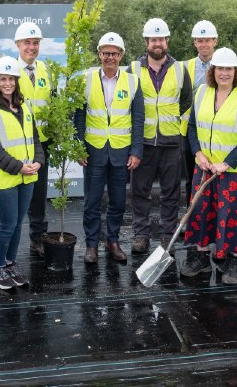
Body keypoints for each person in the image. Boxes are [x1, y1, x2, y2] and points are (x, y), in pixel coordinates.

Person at [180, 47, 237, 285]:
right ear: (213, 70)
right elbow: (192, 127)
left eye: (229, 69)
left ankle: (231, 261)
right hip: (204, 167)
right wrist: (198, 153)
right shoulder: (202, 92)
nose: (224, 73)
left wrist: (227, 163)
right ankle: (201, 258)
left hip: (233, 171)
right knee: (201, 211)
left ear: (236, 71)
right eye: (220, 68)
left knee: (230, 215)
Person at [75, 32, 144, 264]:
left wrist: (136, 151)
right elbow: (79, 117)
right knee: (92, 202)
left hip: (121, 152)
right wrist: (79, 148)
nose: (110, 57)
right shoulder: (85, 79)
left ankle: (112, 241)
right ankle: (92, 245)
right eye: (106, 53)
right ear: (99, 54)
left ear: (121, 55)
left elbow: (138, 119)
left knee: (117, 202)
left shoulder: (132, 81)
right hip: (93, 152)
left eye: (114, 53)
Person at [0, 56, 44, 290]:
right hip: (4, 177)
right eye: (3, 79)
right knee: (6, 225)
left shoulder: (25, 106)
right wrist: (19, 166)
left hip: (27, 175)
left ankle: (10, 264)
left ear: (16, 82)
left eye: (11, 79)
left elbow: (35, 138)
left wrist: (38, 160)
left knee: (17, 224)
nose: (8, 83)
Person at [129, 18, 192, 254]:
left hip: (171, 141)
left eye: (161, 39)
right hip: (143, 142)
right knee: (140, 192)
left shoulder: (179, 69)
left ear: (167, 41)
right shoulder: (134, 69)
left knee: (171, 192)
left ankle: (167, 235)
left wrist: (172, 119)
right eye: (153, 39)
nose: (158, 43)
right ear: (146, 41)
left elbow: (186, 99)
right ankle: (141, 234)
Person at [13, 22, 54, 258]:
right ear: (18, 44)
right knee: (14, 195)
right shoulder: (8, 69)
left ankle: (37, 238)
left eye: (35, 43)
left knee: (38, 195)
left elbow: (52, 103)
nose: (32, 47)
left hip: (41, 144)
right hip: (16, 145)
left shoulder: (46, 71)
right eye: (27, 43)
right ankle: (8, 242)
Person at [180, 20, 218, 208]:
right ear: (194, 43)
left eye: (207, 40)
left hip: (217, 131)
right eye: (199, 40)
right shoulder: (183, 67)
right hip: (191, 130)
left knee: (217, 176)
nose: (203, 44)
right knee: (192, 177)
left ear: (215, 41)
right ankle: (191, 218)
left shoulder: (225, 65)